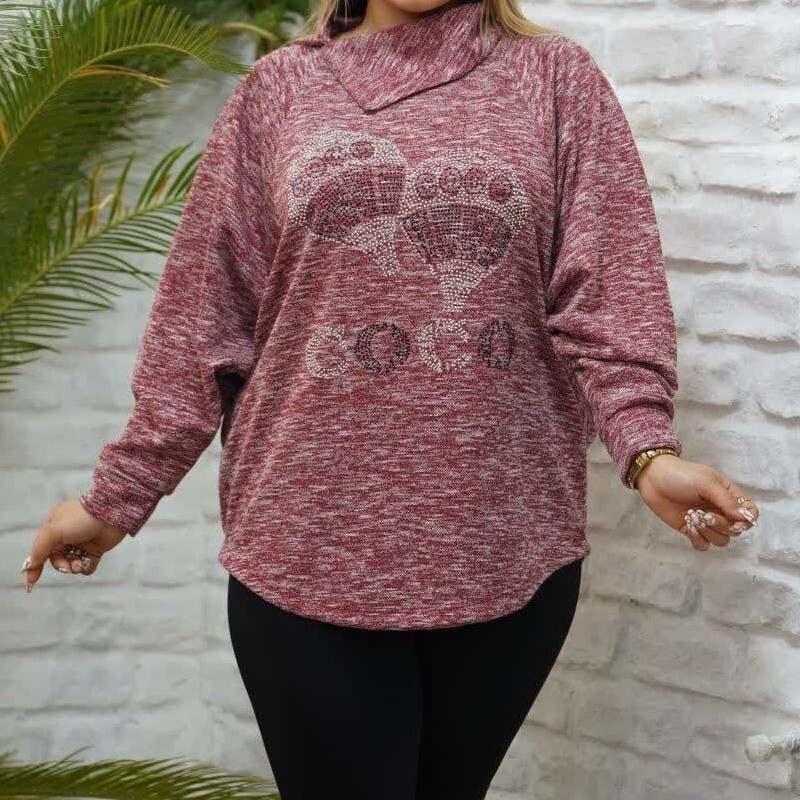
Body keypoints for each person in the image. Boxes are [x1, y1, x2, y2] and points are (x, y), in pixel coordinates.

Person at [21, 0, 761, 796]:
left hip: (503, 548)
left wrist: (647, 451)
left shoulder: (556, 80)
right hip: (305, 550)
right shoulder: (277, 91)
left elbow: (609, 298)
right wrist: (119, 496)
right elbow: (202, 321)